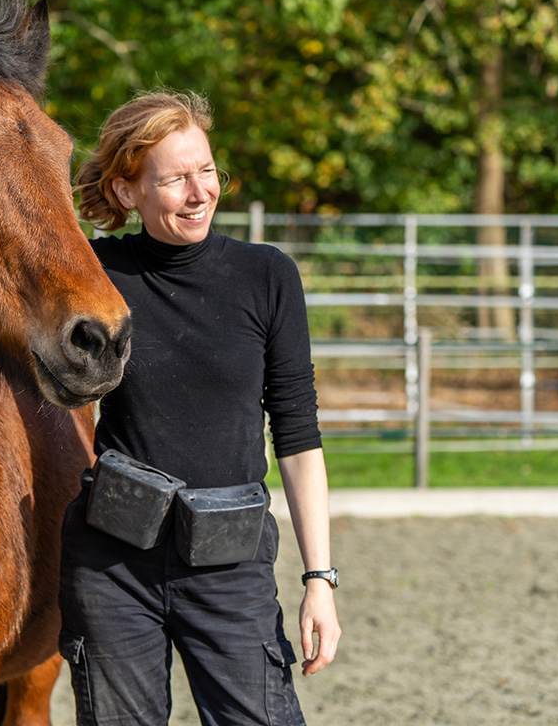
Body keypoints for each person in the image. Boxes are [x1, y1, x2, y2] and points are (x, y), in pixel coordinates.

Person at [58, 90, 340, 726]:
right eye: (176, 178)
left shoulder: (267, 277)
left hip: (231, 566)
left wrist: (319, 579)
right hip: (112, 568)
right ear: (128, 191)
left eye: (207, 170)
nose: (199, 192)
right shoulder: (94, 275)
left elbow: (297, 434)